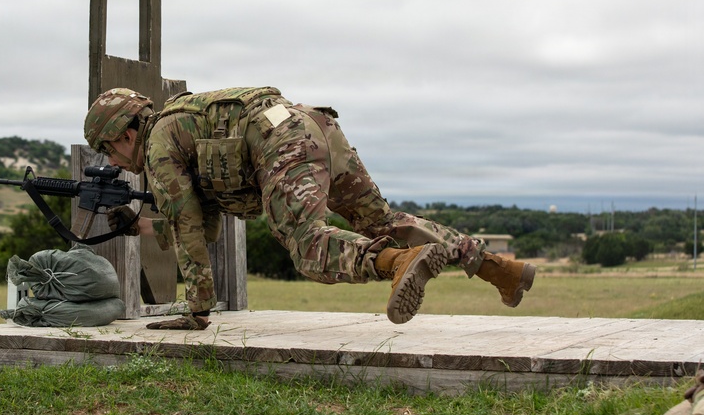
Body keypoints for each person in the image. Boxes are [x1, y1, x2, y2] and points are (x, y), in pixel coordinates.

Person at [84, 86, 536, 329]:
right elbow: (205, 224)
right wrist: (142, 226)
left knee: (306, 242)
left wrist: (198, 307)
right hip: (315, 126)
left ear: (126, 133)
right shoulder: (182, 120)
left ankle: (398, 262)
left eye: (108, 149)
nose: (112, 161)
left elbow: (187, 225)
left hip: (281, 144)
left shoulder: (160, 143)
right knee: (384, 221)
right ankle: (500, 269)